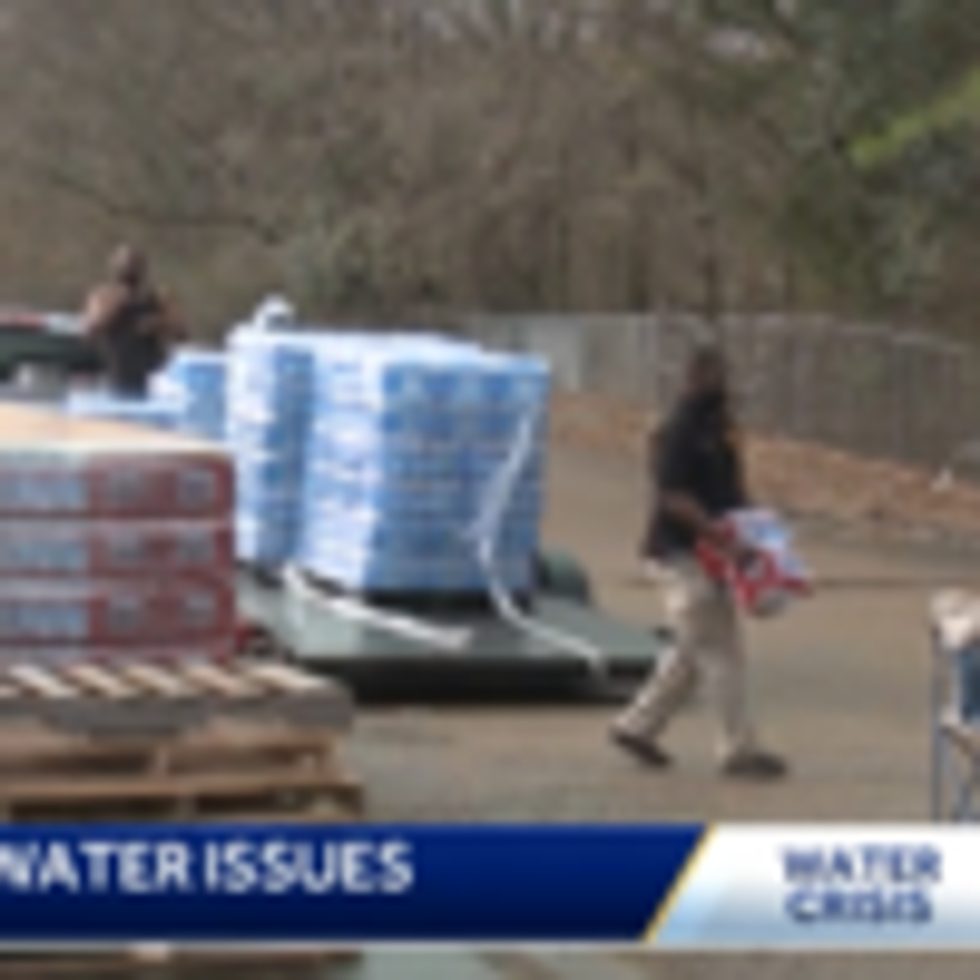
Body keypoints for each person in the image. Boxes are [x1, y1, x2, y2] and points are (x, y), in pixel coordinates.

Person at [612, 345, 788, 781]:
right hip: (680, 555)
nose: (725, 385)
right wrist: (721, 538)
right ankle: (738, 750)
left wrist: (754, 532)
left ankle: (637, 726)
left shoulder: (714, 428)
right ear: (698, 376)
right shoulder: (682, 428)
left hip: (705, 554)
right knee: (720, 652)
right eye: (719, 375)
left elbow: (728, 492)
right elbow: (673, 497)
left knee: (693, 651)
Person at [83, 245, 184, 397]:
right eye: (123, 265)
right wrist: (118, 303)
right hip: (115, 375)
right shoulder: (103, 296)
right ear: (113, 267)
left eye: (134, 265)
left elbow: (182, 333)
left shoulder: (157, 297)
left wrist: (158, 323)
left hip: (152, 377)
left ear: (143, 269)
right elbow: (90, 330)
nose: (129, 270)